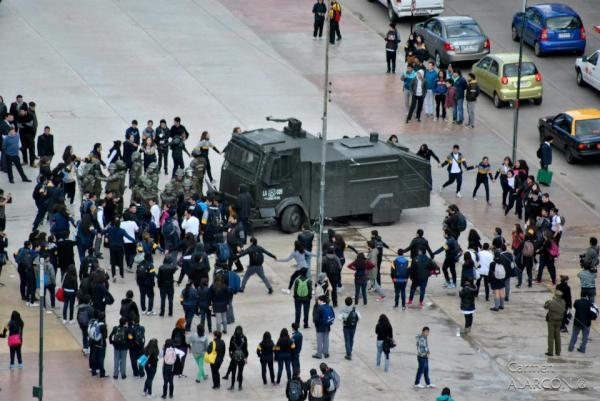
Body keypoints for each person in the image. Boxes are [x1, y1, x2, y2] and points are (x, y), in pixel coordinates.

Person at [544, 290, 566, 357]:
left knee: (551, 336)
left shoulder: (552, 302)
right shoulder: (563, 302)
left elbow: (545, 306)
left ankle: (550, 351)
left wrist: (550, 300)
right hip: (559, 321)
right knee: (558, 336)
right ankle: (558, 351)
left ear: (555, 295)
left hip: (552, 321)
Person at [227, 325, 248, 390]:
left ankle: (232, 386)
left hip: (234, 357)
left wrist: (231, 355)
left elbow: (230, 348)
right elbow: (245, 349)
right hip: (242, 357)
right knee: (240, 372)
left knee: (233, 372)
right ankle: (240, 386)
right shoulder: (244, 338)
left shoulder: (233, 338)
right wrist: (246, 357)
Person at [89, 312, 108, 377]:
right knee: (101, 359)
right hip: (101, 344)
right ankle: (102, 373)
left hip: (94, 343)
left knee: (94, 358)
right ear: (104, 318)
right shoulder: (103, 326)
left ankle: (93, 371)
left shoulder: (94, 323)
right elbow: (105, 336)